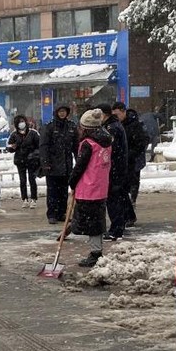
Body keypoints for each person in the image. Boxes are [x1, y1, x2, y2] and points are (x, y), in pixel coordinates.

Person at [68, 109, 113, 267]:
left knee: (91, 223)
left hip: (88, 188)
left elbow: (80, 166)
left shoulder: (88, 144)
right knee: (97, 221)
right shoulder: (106, 141)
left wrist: (72, 181)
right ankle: (97, 249)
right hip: (101, 186)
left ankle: (95, 253)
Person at [39, 106, 77, 224]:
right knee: (52, 191)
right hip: (53, 165)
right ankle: (52, 214)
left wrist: (79, 160)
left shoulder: (71, 126)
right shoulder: (49, 127)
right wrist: (45, 163)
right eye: (60, 111)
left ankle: (61, 213)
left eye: (64, 111)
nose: (62, 114)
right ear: (56, 113)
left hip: (66, 165)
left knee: (63, 191)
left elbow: (76, 146)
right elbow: (44, 146)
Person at [103, 102, 134, 240]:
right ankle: (118, 226)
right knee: (118, 199)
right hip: (117, 169)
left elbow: (110, 148)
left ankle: (116, 230)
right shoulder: (112, 126)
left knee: (114, 200)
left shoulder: (112, 128)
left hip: (115, 169)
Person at [6, 114, 40, 207]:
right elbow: (8, 146)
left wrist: (34, 155)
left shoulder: (33, 133)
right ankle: (24, 199)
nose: (21, 123)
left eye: (22, 121)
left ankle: (34, 199)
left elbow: (39, 146)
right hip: (20, 160)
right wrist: (13, 147)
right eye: (19, 122)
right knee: (22, 180)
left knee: (32, 179)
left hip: (31, 160)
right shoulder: (14, 134)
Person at [122, 107, 149, 209]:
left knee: (134, 179)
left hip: (135, 157)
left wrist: (134, 151)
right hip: (129, 157)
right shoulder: (122, 124)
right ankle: (130, 198)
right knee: (131, 180)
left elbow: (144, 140)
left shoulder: (137, 125)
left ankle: (132, 198)